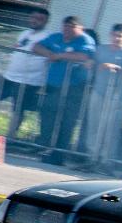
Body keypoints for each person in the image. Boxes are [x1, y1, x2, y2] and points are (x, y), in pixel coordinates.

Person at [34, 16, 96, 165]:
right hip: (53, 85)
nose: (67, 29)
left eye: (72, 26)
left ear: (80, 28)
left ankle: (59, 155)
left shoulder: (85, 40)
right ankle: (45, 148)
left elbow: (84, 55)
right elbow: (36, 47)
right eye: (66, 26)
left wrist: (60, 55)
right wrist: (49, 54)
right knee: (47, 117)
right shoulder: (56, 37)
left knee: (67, 122)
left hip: (74, 87)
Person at [0, 8, 50, 139]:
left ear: (46, 21)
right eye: (33, 17)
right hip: (9, 75)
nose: (35, 21)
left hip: (29, 80)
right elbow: (18, 47)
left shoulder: (48, 37)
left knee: (18, 108)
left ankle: (10, 136)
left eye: (39, 19)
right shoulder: (25, 33)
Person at [84, 23, 122, 160]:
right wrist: (90, 63)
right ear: (110, 35)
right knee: (94, 125)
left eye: (120, 36)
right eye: (115, 35)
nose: (117, 38)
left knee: (110, 129)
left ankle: (106, 160)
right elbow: (92, 63)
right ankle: (92, 157)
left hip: (117, 95)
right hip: (98, 91)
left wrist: (115, 67)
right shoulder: (100, 49)